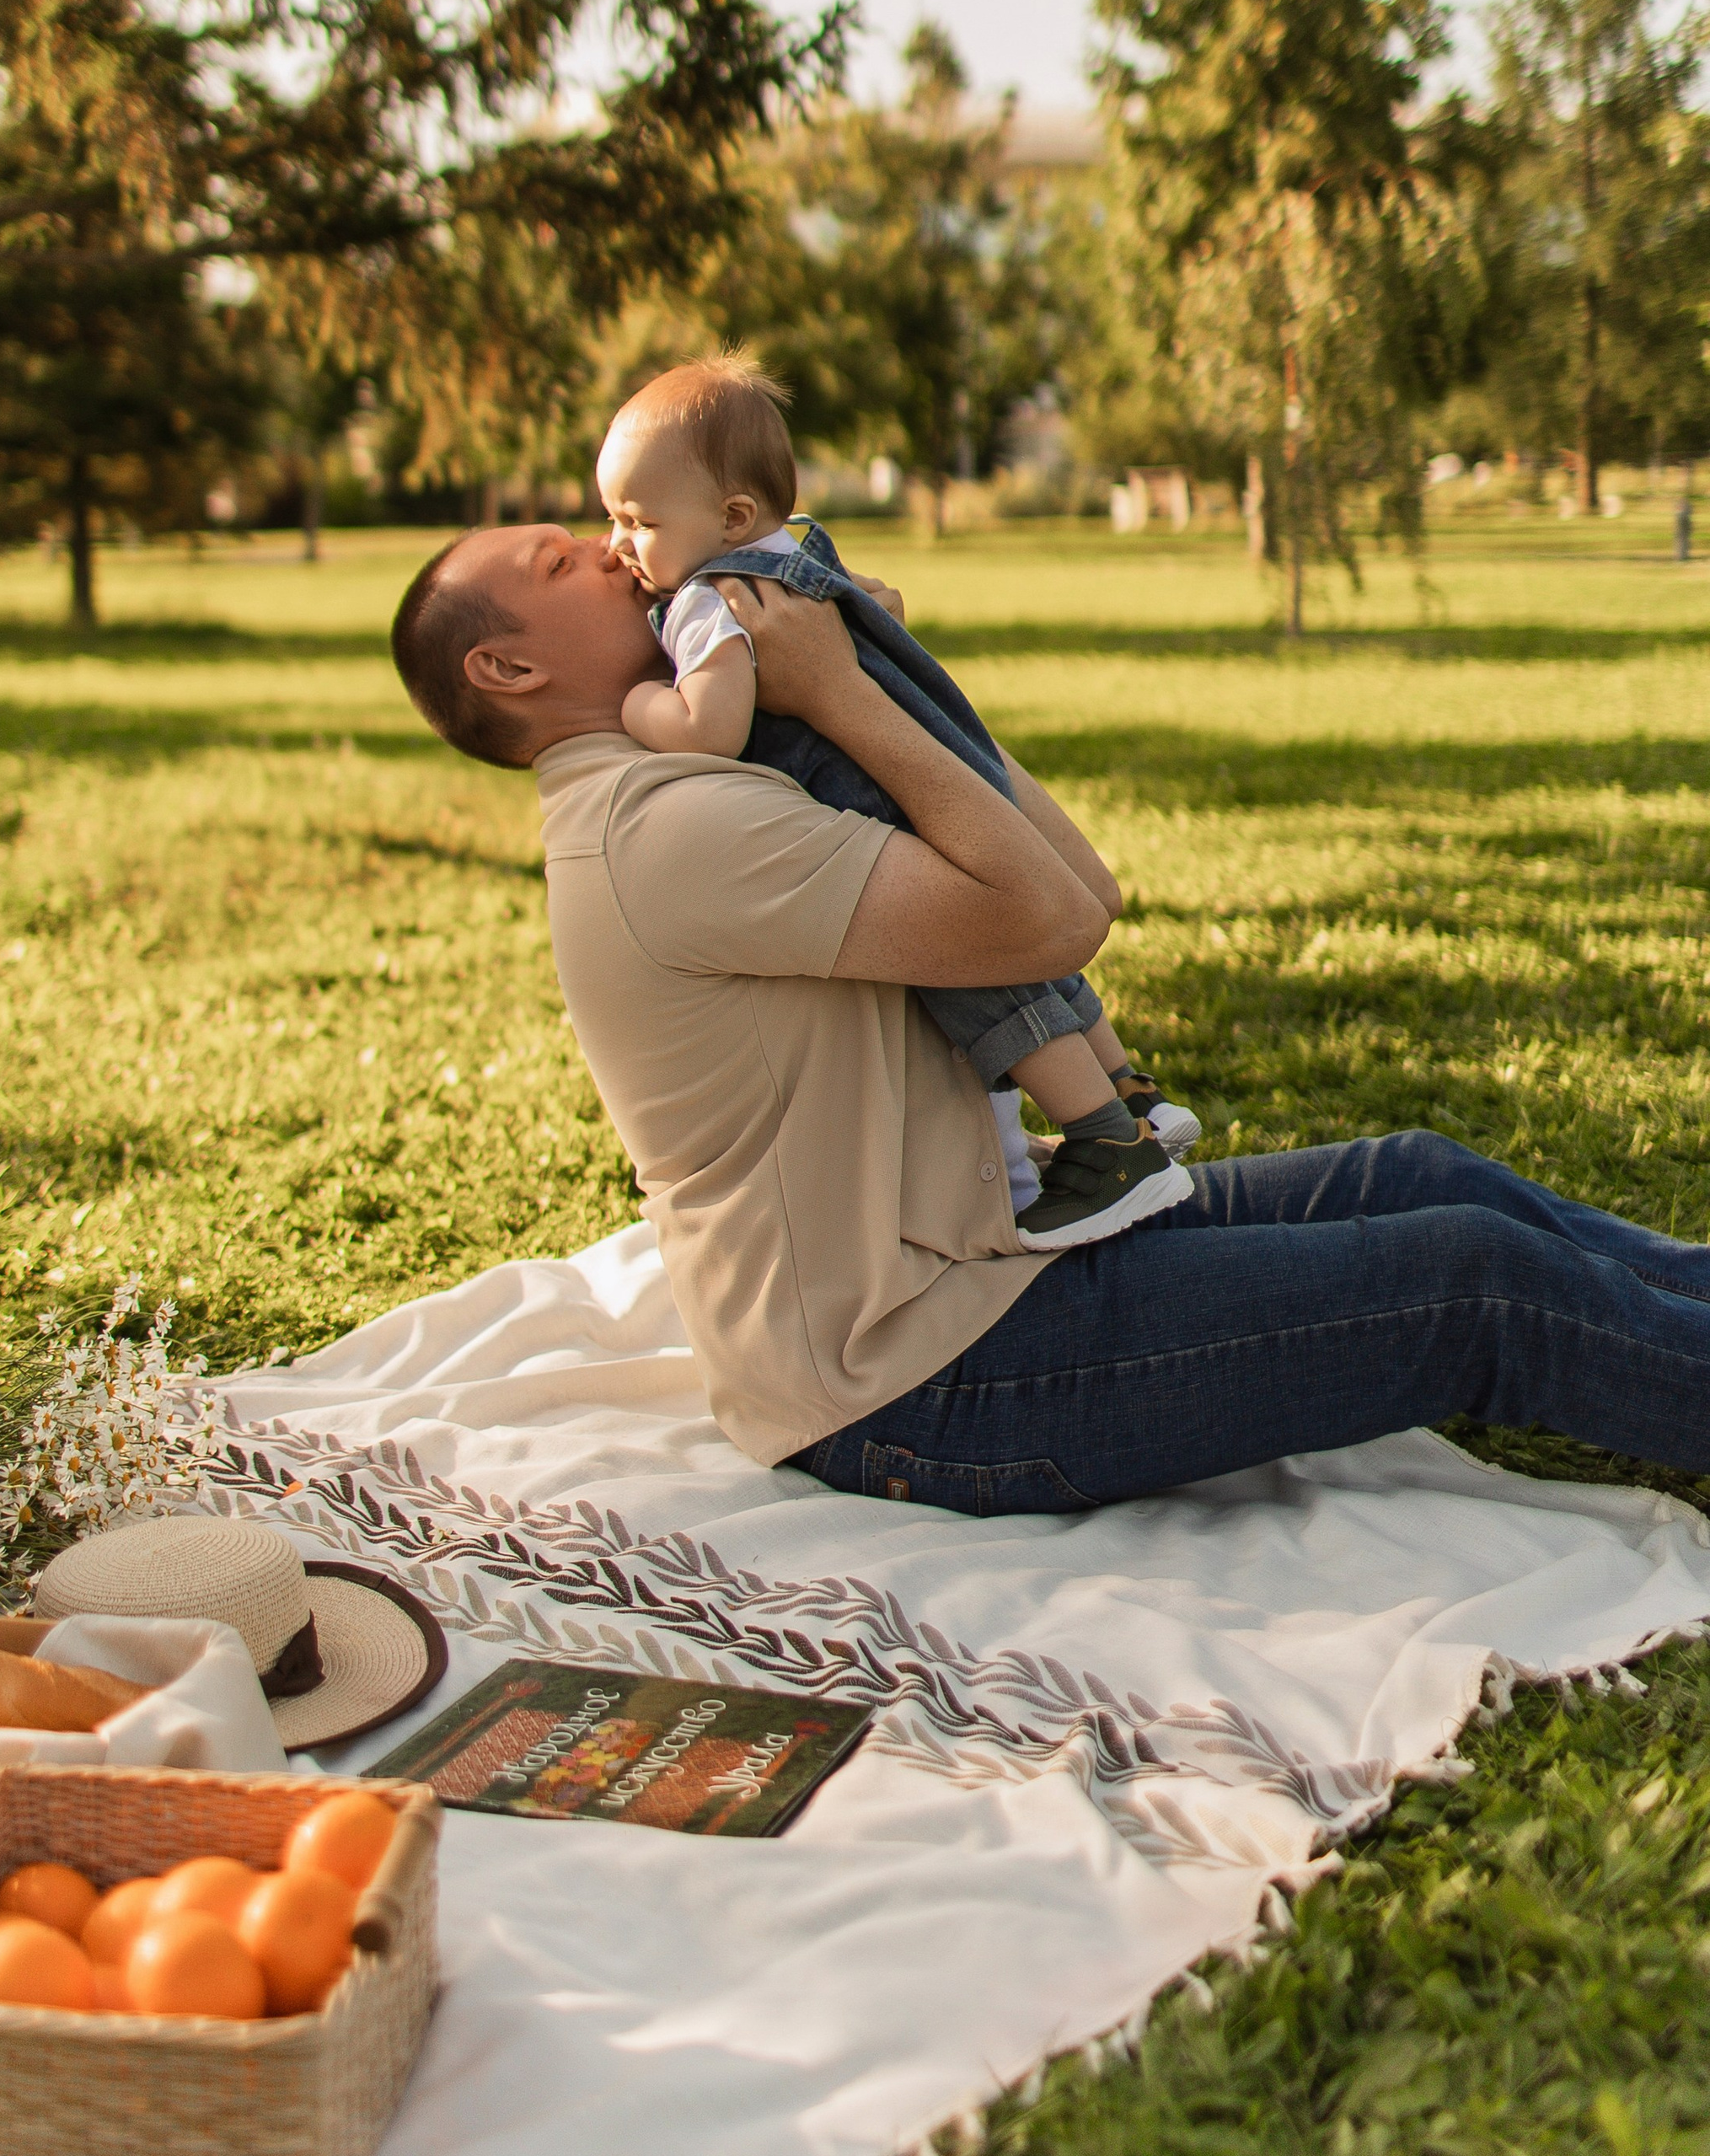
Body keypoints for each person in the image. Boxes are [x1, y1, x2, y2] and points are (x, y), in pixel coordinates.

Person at [389, 519, 1710, 1510]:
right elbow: (1048, 926)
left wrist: (894, 681)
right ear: (505, 665)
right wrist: (840, 691)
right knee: (1469, 1282)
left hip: (999, 1256)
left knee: (1424, 1176)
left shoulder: (702, 784)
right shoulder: (668, 830)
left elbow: (1079, 885)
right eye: (563, 561)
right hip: (920, 1381)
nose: (617, 554)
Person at [593, 354, 1198, 1251]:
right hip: (942, 755)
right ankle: (1130, 1091)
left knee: (980, 973)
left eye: (637, 522)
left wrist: (642, 704)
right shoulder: (801, 550)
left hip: (873, 794)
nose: (615, 546)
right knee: (1027, 933)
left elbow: (711, 726)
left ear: (729, 520)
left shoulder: (704, 599)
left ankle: (1106, 1145)